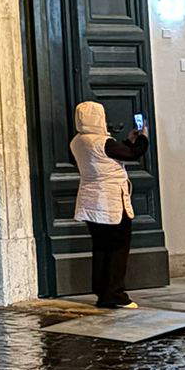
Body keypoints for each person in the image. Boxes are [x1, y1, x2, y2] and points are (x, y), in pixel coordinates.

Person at [70, 102, 150, 310]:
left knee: (100, 247)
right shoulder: (104, 142)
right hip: (110, 201)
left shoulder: (77, 142)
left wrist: (127, 141)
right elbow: (132, 154)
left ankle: (102, 292)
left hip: (90, 201)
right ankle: (115, 294)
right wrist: (142, 138)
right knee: (118, 248)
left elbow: (108, 156)